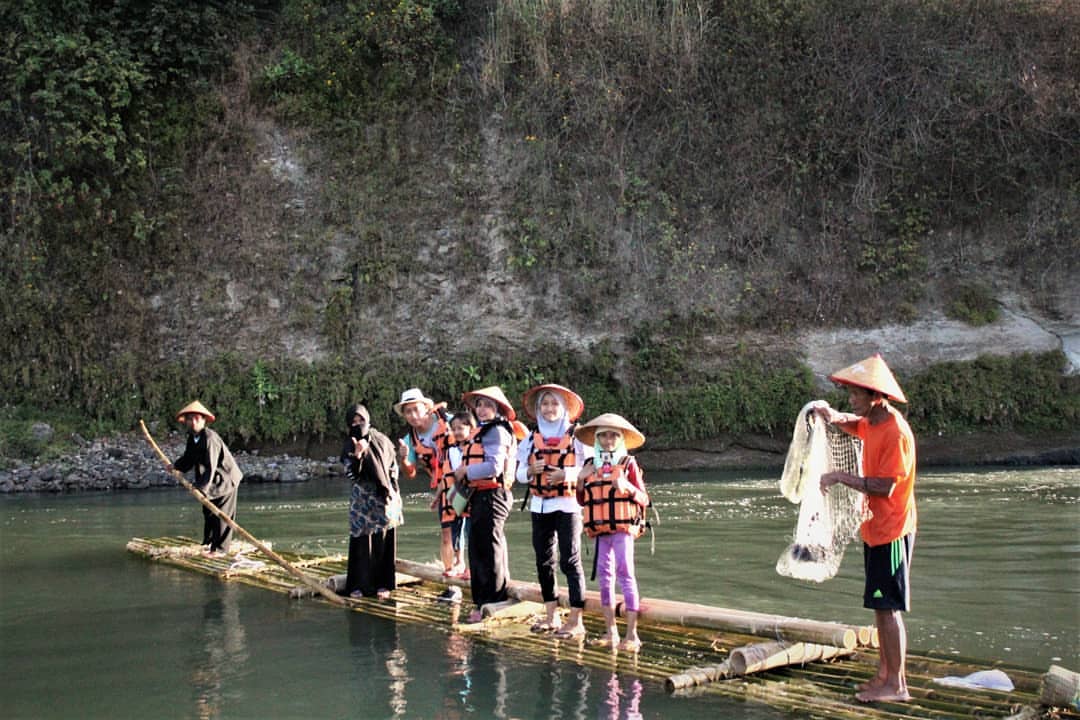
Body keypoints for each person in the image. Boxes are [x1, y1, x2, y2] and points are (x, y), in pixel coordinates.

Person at [813, 353, 917, 703]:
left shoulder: (895, 432)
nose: (851, 399)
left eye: (856, 394)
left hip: (893, 530)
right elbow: (854, 424)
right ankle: (884, 675)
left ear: (876, 396)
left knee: (889, 608)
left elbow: (885, 487)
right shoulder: (871, 421)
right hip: (874, 527)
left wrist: (839, 476)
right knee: (879, 606)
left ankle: (897, 685)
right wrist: (832, 415)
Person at [516, 384, 589, 639]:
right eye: (545, 404)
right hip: (540, 505)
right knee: (544, 561)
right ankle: (551, 616)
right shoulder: (529, 438)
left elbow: (589, 469)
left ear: (564, 407)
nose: (549, 408)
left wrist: (565, 474)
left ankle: (576, 620)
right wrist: (529, 471)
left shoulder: (578, 436)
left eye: (554, 403)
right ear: (538, 409)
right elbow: (518, 474)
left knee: (570, 560)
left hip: (568, 505)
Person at [575, 413, 649, 652]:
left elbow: (644, 499)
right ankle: (611, 632)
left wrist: (626, 486)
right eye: (603, 436)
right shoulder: (590, 464)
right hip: (600, 531)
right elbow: (581, 500)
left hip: (622, 530)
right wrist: (579, 481)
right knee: (604, 578)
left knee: (625, 573)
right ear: (597, 439)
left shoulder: (628, 463)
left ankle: (632, 635)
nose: (608, 441)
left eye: (613, 436)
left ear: (620, 439)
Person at [451, 386, 518, 624]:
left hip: (493, 495)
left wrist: (465, 471)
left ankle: (492, 601)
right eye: (479, 405)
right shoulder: (484, 430)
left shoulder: (496, 431)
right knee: (479, 549)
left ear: (497, 409)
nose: (482, 409)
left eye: (488, 405)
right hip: (481, 495)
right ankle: (482, 601)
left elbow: (494, 467)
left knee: (489, 550)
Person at [340, 403, 402, 599]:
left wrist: (391, 489)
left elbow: (393, 467)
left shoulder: (382, 440)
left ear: (368, 419)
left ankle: (384, 584)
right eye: (354, 422)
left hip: (384, 496)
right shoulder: (349, 444)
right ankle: (359, 585)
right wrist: (358, 455)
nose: (358, 425)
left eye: (361, 420)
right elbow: (352, 474)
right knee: (360, 541)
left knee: (383, 539)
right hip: (362, 498)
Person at [394, 387, 456, 575]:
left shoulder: (449, 421)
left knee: (473, 529)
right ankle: (450, 575)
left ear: (426, 407)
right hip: (444, 488)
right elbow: (410, 474)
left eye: (416, 409)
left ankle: (476, 571)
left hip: (467, 482)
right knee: (447, 533)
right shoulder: (409, 440)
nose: (413, 415)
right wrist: (404, 458)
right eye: (408, 412)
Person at [170, 401, 244, 557]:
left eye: (197, 418)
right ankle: (209, 543)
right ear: (186, 421)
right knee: (209, 512)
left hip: (225, 478)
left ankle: (221, 549)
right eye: (190, 418)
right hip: (212, 480)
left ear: (203, 420)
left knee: (222, 515)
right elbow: (189, 458)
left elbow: (211, 465)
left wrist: (202, 489)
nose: (194, 421)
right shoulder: (193, 438)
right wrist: (176, 466)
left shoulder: (210, 438)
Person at [438, 410, 477, 579]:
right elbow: (446, 476)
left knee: (472, 531)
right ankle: (457, 564)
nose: (457, 432)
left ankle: (473, 567)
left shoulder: (477, 447)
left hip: (473, 493)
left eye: (461, 428)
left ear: (471, 428)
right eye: (454, 429)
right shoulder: (450, 450)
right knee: (455, 530)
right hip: (455, 493)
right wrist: (437, 497)